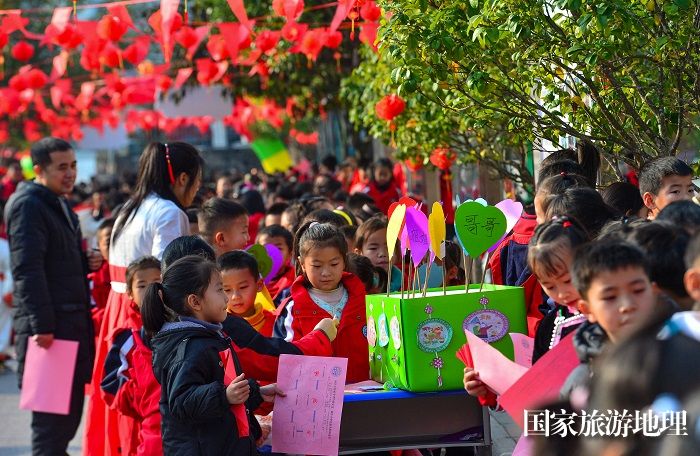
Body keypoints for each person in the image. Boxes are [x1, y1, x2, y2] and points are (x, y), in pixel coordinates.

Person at [86, 142, 202, 456]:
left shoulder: (129, 208)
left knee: (122, 400)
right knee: (148, 402)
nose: (196, 189)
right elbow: (171, 276)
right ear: (181, 179)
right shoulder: (169, 212)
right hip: (146, 315)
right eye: (196, 181)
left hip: (119, 309)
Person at [5, 137, 101, 454]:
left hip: (68, 326)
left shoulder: (56, 201)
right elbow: (27, 270)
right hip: (50, 332)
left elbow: (53, 260)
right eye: (62, 167)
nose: (71, 173)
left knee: (67, 419)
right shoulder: (28, 205)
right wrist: (42, 326)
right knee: (50, 428)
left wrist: (84, 260)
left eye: (73, 165)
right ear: (38, 170)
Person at [143, 255, 285, 455]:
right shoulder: (188, 347)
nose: (227, 298)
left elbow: (223, 388)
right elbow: (182, 402)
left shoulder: (209, 337)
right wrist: (225, 395)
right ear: (195, 301)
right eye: (220, 290)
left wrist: (256, 393)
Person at [563, 239, 665, 399]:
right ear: (587, 309)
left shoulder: (687, 355)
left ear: (654, 292)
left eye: (638, 290)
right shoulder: (581, 386)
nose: (627, 305)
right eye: (610, 297)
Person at [274, 222, 369, 383]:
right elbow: (285, 361)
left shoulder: (364, 302)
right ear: (302, 264)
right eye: (316, 266)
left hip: (365, 397)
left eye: (334, 264)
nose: (326, 273)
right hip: (315, 401)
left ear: (344, 261)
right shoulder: (292, 308)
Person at [101, 256, 163, 456]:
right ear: (129, 293)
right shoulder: (126, 336)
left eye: (157, 283)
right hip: (138, 423)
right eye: (142, 285)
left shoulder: (177, 324)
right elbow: (110, 385)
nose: (150, 291)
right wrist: (144, 400)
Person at [219, 251, 272, 334]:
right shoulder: (217, 327)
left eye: (243, 287)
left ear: (259, 285)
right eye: (227, 290)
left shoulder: (277, 322)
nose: (235, 297)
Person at [353, 214, 401, 292]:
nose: (382, 253)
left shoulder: (406, 281)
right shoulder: (357, 285)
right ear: (359, 253)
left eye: (389, 247)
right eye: (373, 248)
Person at [89, 217, 115, 336]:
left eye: (119, 240)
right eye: (109, 242)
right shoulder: (92, 279)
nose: (115, 246)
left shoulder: (137, 272)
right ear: (99, 245)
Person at [255, 225, 295, 300]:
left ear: (290, 254)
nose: (272, 253)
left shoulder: (296, 283)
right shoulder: (249, 281)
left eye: (278, 248)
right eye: (265, 248)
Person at [0, 205, 11, 370]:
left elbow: (10, 268)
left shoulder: (2, 244)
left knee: (2, 322)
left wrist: (9, 290)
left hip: (1, 286)